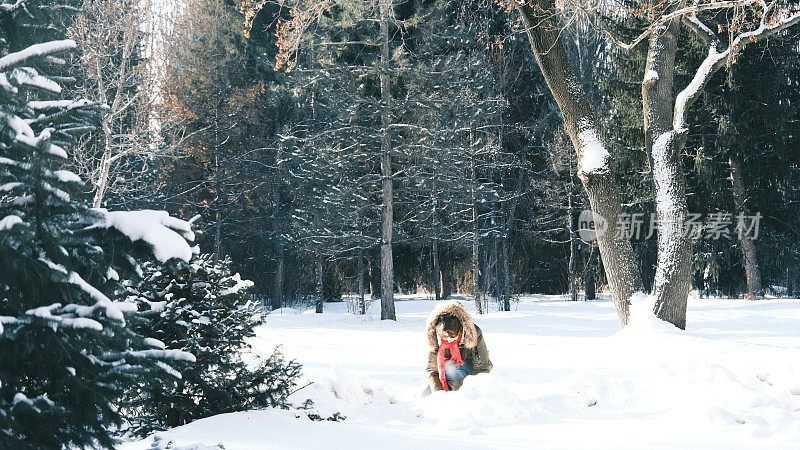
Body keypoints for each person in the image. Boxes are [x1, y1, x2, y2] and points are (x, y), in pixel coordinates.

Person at [425, 301, 493, 393]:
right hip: (449, 376)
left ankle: (461, 392)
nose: (448, 341)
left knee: (451, 367)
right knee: (448, 367)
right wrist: (439, 393)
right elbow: (432, 370)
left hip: (471, 372)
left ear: (460, 331)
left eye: (452, 337)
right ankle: (452, 390)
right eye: (444, 337)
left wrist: (477, 390)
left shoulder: (473, 333)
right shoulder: (435, 338)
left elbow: (483, 367)